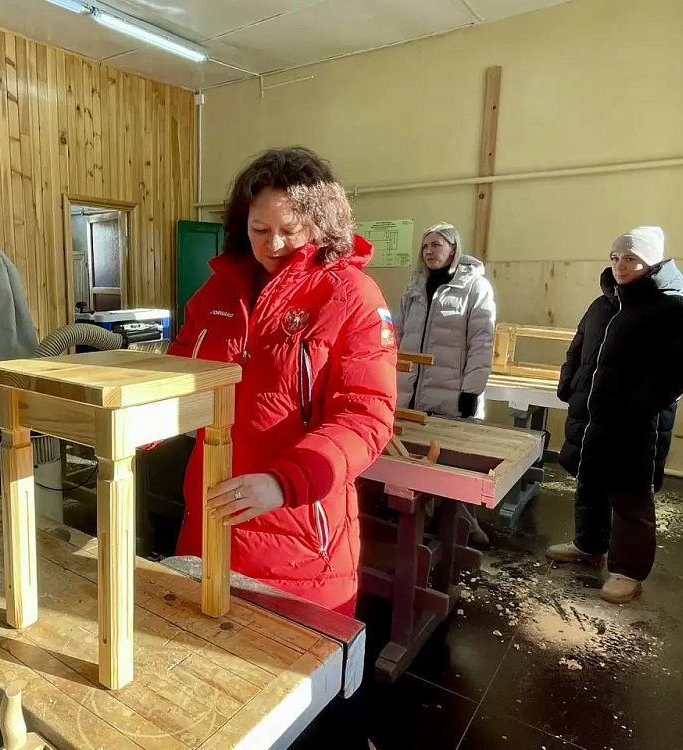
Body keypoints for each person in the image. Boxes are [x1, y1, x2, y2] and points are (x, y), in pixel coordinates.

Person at [167, 146, 398, 617]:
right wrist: (124, 422)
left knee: (291, 658)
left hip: (299, 537)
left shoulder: (351, 297)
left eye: (289, 231)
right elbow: (177, 380)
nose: (273, 244)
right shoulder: (217, 293)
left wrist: (284, 482)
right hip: (209, 522)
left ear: (320, 226)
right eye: (259, 229)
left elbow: (366, 416)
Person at [547, 226, 683, 604]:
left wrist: (639, 405)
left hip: (636, 424)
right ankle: (589, 545)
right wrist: (569, 386)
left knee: (630, 495)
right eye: (615, 257)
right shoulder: (602, 305)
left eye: (631, 258)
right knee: (589, 482)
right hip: (591, 416)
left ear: (652, 263)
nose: (620, 265)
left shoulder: (675, 308)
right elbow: (577, 349)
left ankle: (628, 572)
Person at [395, 222, 495, 545]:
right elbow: (397, 334)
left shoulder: (475, 287)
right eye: (425, 246)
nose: (429, 251)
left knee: (454, 463)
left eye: (436, 245)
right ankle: (420, 523)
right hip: (411, 391)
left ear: (453, 249)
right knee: (415, 457)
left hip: (451, 392)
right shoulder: (414, 287)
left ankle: (466, 524)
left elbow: (482, 341)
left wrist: (472, 390)